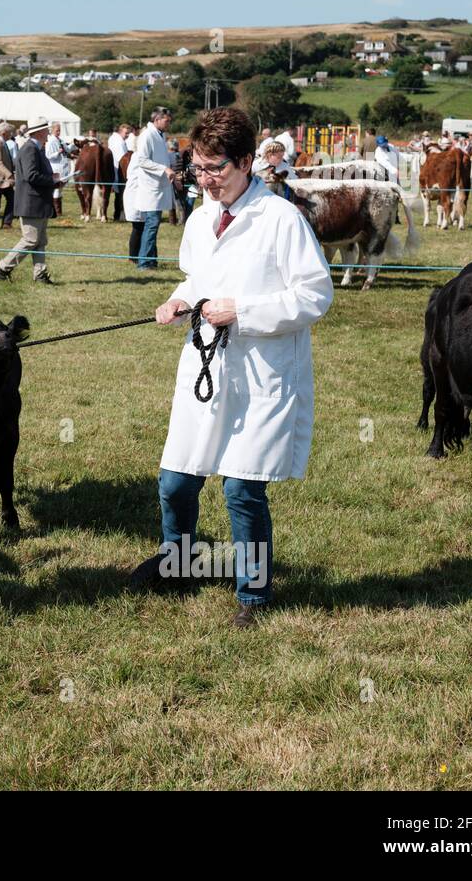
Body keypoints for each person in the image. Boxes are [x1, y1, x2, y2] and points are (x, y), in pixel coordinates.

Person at [130, 107, 334, 627]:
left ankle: (254, 595)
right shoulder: (200, 217)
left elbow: (315, 295)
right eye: (198, 169)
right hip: (206, 365)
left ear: (247, 162)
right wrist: (178, 300)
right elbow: (196, 277)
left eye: (215, 168)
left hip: (262, 373)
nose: (205, 180)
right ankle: (177, 564)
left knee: (242, 488)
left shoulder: (282, 219)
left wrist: (242, 310)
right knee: (176, 480)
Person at [0, 120, 55, 284]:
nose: (48, 133)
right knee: (30, 240)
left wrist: (54, 180)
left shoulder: (36, 149)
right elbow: (31, 175)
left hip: (38, 202)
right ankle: (3, 267)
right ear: (39, 133)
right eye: (46, 131)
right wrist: (52, 180)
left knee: (40, 241)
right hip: (31, 203)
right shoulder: (30, 149)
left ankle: (40, 274)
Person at [125, 107, 175, 269]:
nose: (169, 124)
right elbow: (142, 160)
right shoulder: (147, 135)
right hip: (150, 188)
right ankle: (145, 263)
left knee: (153, 225)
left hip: (158, 187)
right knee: (151, 225)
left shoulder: (160, 135)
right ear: (157, 120)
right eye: (167, 121)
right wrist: (164, 170)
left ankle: (151, 260)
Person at [45, 122, 70, 217]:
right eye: (57, 130)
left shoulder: (60, 140)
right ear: (52, 130)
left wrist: (73, 146)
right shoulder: (50, 141)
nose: (58, 132)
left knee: (59, 190)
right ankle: (56, 211)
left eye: (59, 130)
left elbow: (67, 149)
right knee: (56, 190)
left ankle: (59, 211)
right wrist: (57, 153)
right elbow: (48, 155)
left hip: (62, 168)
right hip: (55, 168)